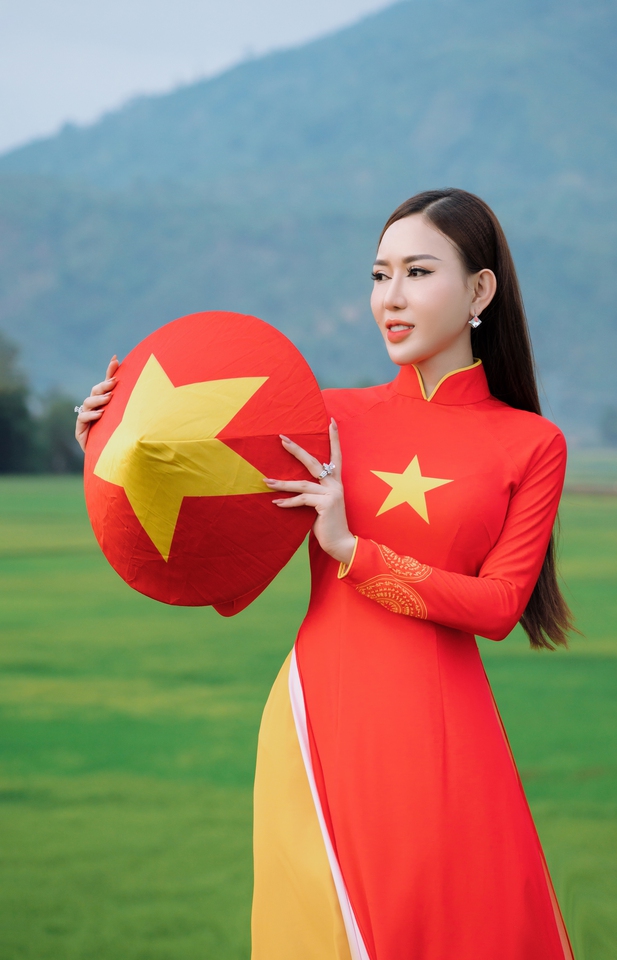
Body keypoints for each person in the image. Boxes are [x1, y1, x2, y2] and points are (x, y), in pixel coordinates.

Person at [76, 188, 575, 960]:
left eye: (417, 272)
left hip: (447, 743)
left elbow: (500, 606)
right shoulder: (320, 418)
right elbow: (224, 566)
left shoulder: (532, 444)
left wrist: (353, 551)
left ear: (480, 291)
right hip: (319, 722)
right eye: (379, 275)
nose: (391, 298)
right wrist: (113, 446)